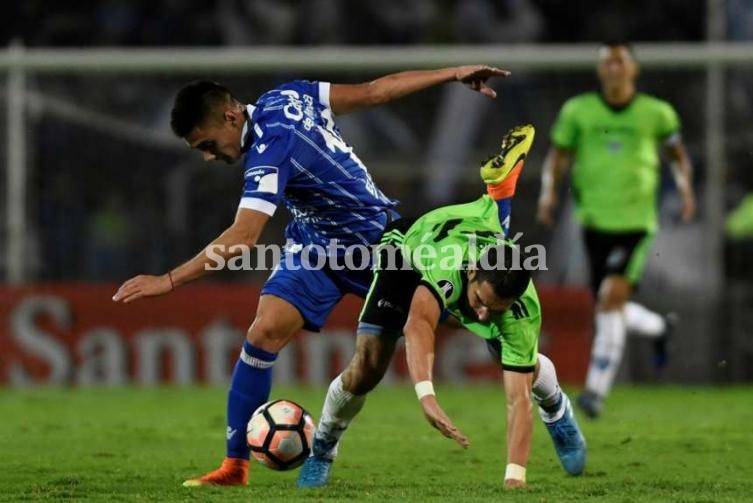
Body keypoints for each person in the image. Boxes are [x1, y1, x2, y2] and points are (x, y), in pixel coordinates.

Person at [111, 65, 510, 486]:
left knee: (462, 325)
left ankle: (550, 400)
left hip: (379, 245)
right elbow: (373, 91)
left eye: (207, 145)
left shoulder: (270, 148)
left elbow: (243, 237)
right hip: (315, 246)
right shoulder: (286, 95)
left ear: (230, 117)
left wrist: (168, 281)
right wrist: (450, 75)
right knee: (264, 331)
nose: (209, 156)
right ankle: (235, 467)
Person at [298, 125, 587, 489]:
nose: (483, 315)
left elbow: (517, 401)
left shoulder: (519, 306)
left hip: (477, 235)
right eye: (482, 302)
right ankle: (322, 450)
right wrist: (427, 396)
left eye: (495, 309)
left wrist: (516, 476)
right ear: (471, 272)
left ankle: (557, 409)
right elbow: (418, 324)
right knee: (368, 365)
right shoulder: (448, 267)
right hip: (407, 253)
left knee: (516, 360)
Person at [536, 41, 696, 418]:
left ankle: (594, 391)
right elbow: (558, 156)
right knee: (608, 307)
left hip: (636, 223)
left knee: (610, 298)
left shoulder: (657, 113)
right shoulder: (578, 111)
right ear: (599, 70)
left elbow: (677, 156)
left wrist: (686, 189)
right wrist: (548, 194)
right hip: (592, 221)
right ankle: (659, 328)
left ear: (633, 70)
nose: (612, 67)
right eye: (606, 61)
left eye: (619, 61)